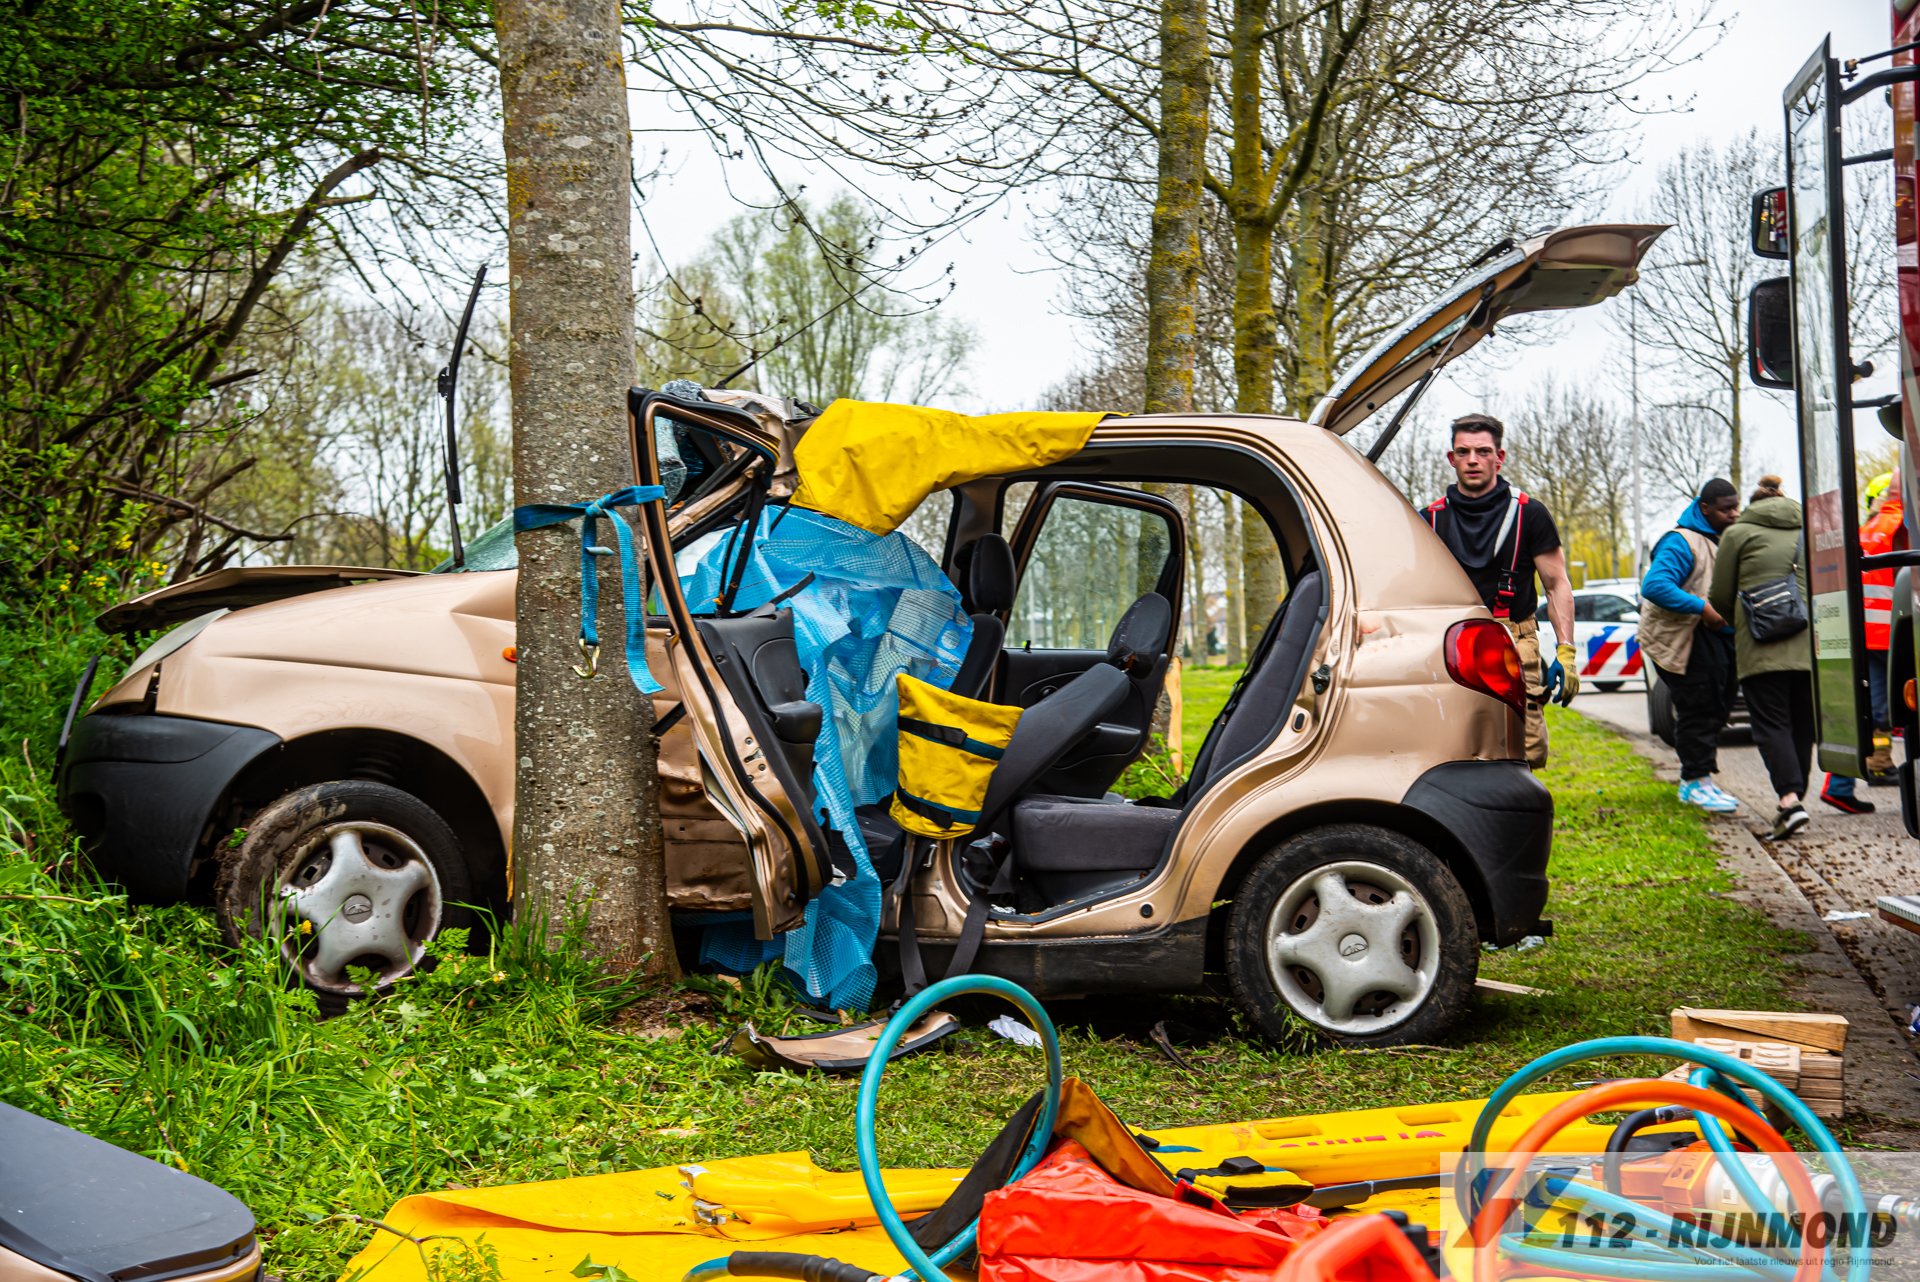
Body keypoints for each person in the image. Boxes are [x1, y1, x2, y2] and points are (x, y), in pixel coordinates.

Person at [1425, 413, 1575, 768]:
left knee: (1524, 752)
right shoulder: (1428, 520)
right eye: (1463, 452)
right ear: (1451, 458)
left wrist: (1566, 650)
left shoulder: (1529, 514)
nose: (1472, 460)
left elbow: (1557, 584)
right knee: (1455, 753)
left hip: (1515, 645)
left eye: (1483, 451)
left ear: (1499, 457)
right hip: (1450, 649)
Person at [1709, 476, 1813, 842]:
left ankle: (1789, 800)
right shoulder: (1808, 529)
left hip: (1760, 645)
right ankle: (1795, 799)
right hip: (1809, 644)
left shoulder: (1737, 534)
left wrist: (1740, 619)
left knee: (1772, 725)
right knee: (1802, 725)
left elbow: (1720, 596)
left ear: (1752, 505)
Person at [1638, 478, 1743, 812]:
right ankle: (1695, 782)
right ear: (1705, 508)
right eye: (1726, 509)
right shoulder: (1681, 541)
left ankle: (1699, 780)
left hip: (1715, 639)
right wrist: (1703, 608)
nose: (1733, 514)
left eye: (1736, 507)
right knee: (1698, 708)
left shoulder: (1722, 538)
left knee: (1716, 708)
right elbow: (1655, 585)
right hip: (1685, 639)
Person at [1821, 472, 1903, 813]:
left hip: (1866, 633)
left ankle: (1840, 784)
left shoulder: (1868, 527)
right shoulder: (1903, 526)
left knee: (1872, 709)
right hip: (1895, 634)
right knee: (1884, 709)